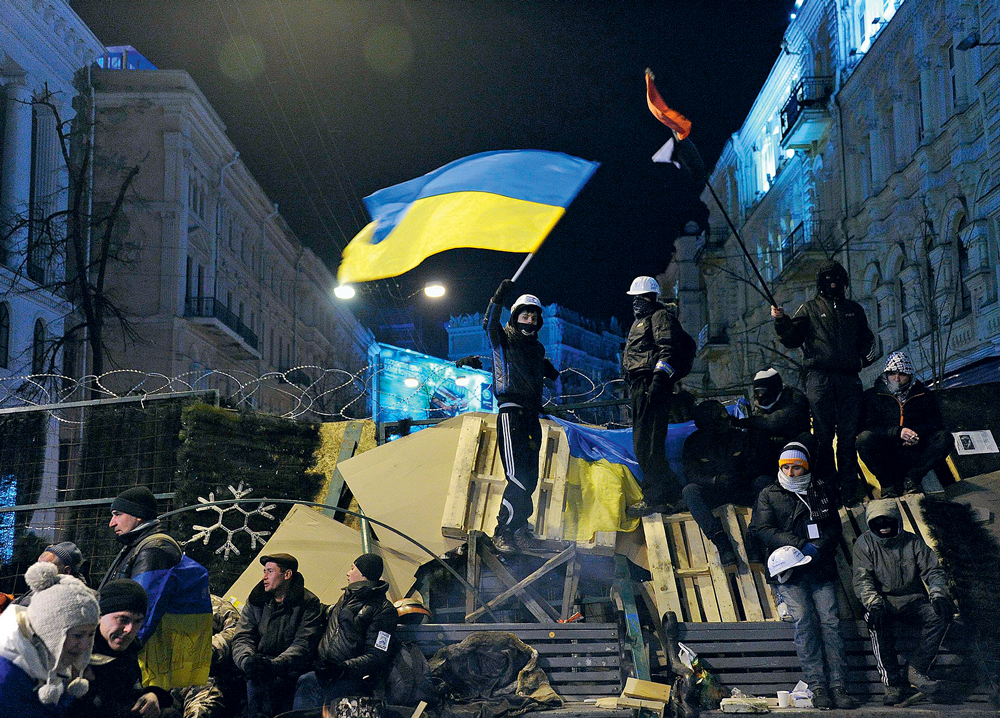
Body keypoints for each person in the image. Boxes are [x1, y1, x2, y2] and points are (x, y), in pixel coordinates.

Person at [751, 441, 857, 709]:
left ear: (806, 468)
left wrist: (820, 547)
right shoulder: (769, 494)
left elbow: (833, 526)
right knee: (804, 622)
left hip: (820, 568)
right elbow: (763, 529)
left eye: (796, 467)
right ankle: (818, 686)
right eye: (786, 467)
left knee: (830, 623)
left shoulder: (821, 490)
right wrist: (799, 545)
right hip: (790, 571)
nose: (790, 472)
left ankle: (839, 686)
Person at [772, 260, 877, 506]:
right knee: (823, 438)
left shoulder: (854, 310)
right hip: (819, 379)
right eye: (828, 278)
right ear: (820, 282)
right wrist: (781, 320)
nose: (833, 283)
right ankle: (828, 491)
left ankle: (849, 490)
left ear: (844, 281)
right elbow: (792, 339)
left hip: (849, 380)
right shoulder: (808, 309)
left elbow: (868, 341)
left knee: (848, 438)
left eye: (837, 277)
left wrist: (860, 361)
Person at [484, 278, 559, 553]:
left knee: (530, 478)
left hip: (531, 415)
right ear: (515, 317)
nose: (530, 321)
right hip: (511, 413)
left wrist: (545, 371)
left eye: (534, 317)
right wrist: (498, 298)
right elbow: (489, 324)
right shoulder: (502, 339)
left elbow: (534, 371)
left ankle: (519, 529)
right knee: (516, 476)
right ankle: (503, 530)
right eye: (525, 316)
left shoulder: (536, 349)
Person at [852, 499, 953, 703]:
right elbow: (862, 579)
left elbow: (933, 570)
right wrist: (874, 604)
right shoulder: (864, 544)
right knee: (877, 624)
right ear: (870, 523)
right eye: (877, 521)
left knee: (939, 616)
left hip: (911, 600)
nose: (883, 525)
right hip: (881, 601)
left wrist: (938, 595)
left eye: (887, 520)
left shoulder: (912, 542)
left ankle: (916, 670)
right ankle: (892, 685)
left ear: (896, 520)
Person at [622, 276, 692, 518]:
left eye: (641, 297)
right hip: (640, 386)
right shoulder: (640, 321)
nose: (636, 302)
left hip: (651, 386)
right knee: (644, 446)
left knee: (649, 446)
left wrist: (659, 381)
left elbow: (667, 350)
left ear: (652, 297)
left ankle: (656, 498)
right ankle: (672, 494)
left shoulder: (660, 317)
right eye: (634, 298)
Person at [293, 553, 399, 710]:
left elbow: (377, 655)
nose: (348, 573)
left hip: (352, 679)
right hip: (324, 672)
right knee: (305, 681)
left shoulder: (383, 610)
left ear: (363, 574)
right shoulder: (345, 598)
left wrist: (342, 669)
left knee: (311, 684)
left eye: (352, 568)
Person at [0, 562, 99, 717]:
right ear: (51, 631)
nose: (85, 645)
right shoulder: (7, 674)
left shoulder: (49, 652)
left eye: (91, 634)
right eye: (78, 635)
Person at [232, 553, 322, 718]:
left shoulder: (308, 603)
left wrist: (273, 665)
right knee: (252, 679)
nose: (264, 577)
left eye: (270, 571)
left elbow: (303, 644)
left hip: (289, 668)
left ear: (287, 574)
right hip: (258, 665)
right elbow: (243, 636)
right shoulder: (257, 600)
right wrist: (247, 661)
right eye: (264, 571)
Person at [857, 351, 952, 498]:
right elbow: (867, 426)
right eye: (892, 374)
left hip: (914, 452)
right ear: (886, 375)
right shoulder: (872, 396)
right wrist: (897, 432)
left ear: (909, 375)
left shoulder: (923, 394)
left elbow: (935, 423)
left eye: (901, 374)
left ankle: (912, 479)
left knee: (945, 438)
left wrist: (915, 435)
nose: (897, 378)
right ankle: (887, 484)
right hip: (886, 452)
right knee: (864, 440)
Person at [75, 578, 173, 718]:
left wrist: (152, 695)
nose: (129, 629)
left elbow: (124, 694)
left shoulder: (131, 651)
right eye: (123, 619)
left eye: (138, 621)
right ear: (100, 616)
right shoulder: (78, 652)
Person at [681, 400, 759, 566]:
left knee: (764, 483)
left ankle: (754, 538)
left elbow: (755, 465)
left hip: (740, 487)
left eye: (725, 417)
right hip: (714, 491)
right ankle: (721, 542)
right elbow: (691, 475)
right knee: (690, 491)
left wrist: (740, 476)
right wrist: (714, 481)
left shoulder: (740, 437)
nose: (725, 422)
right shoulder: (694, 443)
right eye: (718, 419)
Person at [732, 368, 811, 479]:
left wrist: (741, 422)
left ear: (774, 388)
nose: (759, 396)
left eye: (762, 391)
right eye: (757, 392)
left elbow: (775, 421)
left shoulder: (794, 397)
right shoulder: (763, 404)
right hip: (771, 449)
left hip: (794, 446)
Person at [171, 595, 242, 718]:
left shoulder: (208, 603)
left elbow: (236, 630)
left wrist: (204, 651)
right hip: (171, 685)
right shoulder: (156, 616)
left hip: (207, 678)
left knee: (199, 713)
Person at [100, 486, 181, 589]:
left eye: (118, 514)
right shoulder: (137, 545)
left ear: (138, 514)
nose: (111, 523)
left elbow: (142, 597)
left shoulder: (153, 550)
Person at [14, 542, 88, 607]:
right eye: (38, 566)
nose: (38, 572)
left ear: (66, 571)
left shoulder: (82, 600)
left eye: (45, 568)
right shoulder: (32, 594)